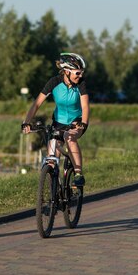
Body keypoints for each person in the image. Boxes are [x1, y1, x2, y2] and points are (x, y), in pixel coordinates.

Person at [22, 52, 90, 188]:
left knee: (69, 138)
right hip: (58, 122)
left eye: (81, 72)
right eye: (78, 73)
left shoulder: (81, 84)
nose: (80, 75)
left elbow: (85, 106)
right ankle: (55, 191)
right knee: (52, 158)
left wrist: (83, 122)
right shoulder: (54, 82)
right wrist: (26, 122)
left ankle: (78, 174)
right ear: (67, 71)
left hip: (77, 121)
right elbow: (36, 104)